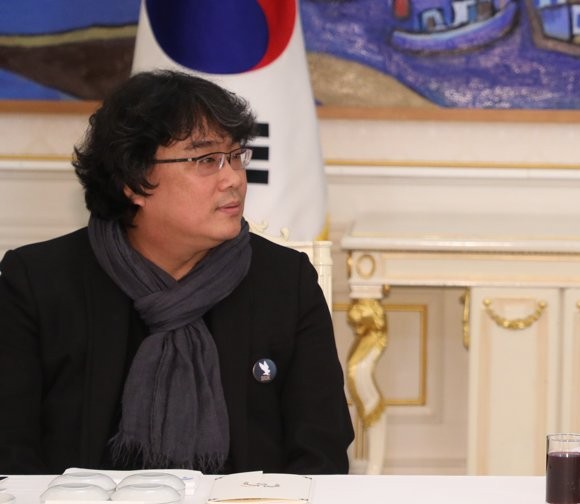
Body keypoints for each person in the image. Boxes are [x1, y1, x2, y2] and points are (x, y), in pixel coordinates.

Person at [0, 70, 354, 474]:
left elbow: (321, 452)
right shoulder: (37, 284)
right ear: (134, 180)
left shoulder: (286, 282)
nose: (233, 179)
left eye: (236, 156)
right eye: (206, 160)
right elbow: (10, 454)